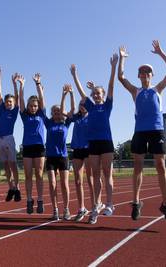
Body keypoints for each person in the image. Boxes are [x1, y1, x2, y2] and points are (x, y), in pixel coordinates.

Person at [118, 41, 166, 223]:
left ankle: (165, 205)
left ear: (151, 75)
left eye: (147, 72)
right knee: (138, 167)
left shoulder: (157, 89)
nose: (144, 74)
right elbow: (121, 77)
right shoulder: (135, 91)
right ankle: (136, 202)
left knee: (160, 166)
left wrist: (161, 53)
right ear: (139, 76)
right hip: (140, 132)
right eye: (142, 72)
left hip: (157, 131)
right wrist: (122, 59)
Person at [70, 53, 118, 224]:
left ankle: (110, 203)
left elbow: (111, 86)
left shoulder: (107, 106)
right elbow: (82, 92)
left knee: (107, 174)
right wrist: (75, 76)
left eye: (99, 93)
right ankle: (96, 206)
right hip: (93, 143)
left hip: (106, 142)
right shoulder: (89, 106)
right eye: (95, 93)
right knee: (95, 175)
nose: (97, 95)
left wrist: (113, 68)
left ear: (103, 95)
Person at [69, 69, 100, 222]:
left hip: (89, 149)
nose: (82, 106)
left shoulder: (93, 115)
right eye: (80, 105)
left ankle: (95, 207)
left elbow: (91, 98)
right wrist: (70, 94)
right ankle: (82, 208)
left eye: (84, 104)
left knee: (90, 179)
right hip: (77, 149)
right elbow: (66, 111)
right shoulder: (76, 118)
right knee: (77, 180)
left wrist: (77, 78)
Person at [44, 84, 74, 221]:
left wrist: (66, 95)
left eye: (59, 111)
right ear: (52, 114)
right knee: (52, 184)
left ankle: (66, 209)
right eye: (54, 111)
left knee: (64, 184)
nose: (57, 112)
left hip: (63, 157)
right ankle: (55, 209)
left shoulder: (66, 123)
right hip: (50, 157)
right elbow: (42, 107)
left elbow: (69, 110)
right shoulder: (48, 123)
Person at [19, 73, 45, 215]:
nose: (33, 108)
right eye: (31, 106)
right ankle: (29, 200)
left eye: (35, 106)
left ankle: (40, 200)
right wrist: (21, 86)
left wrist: (38, 84)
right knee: (28, 175)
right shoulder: (25, 115)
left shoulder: (41, 113)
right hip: (28, 147)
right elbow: (21, 100)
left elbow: (41, 98)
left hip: (39, 147)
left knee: (39, 175)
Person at [0, 67, 21, 202]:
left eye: (10, 101)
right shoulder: (2, 109)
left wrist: (14, 83)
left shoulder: (15, 110)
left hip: (9, 138)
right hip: (0, 139)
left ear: (13, 103)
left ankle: (17, 188)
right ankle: (11, 188)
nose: (8, 103)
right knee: (5, 166)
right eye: (6, 102)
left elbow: (16, 96)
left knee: (13, 164)